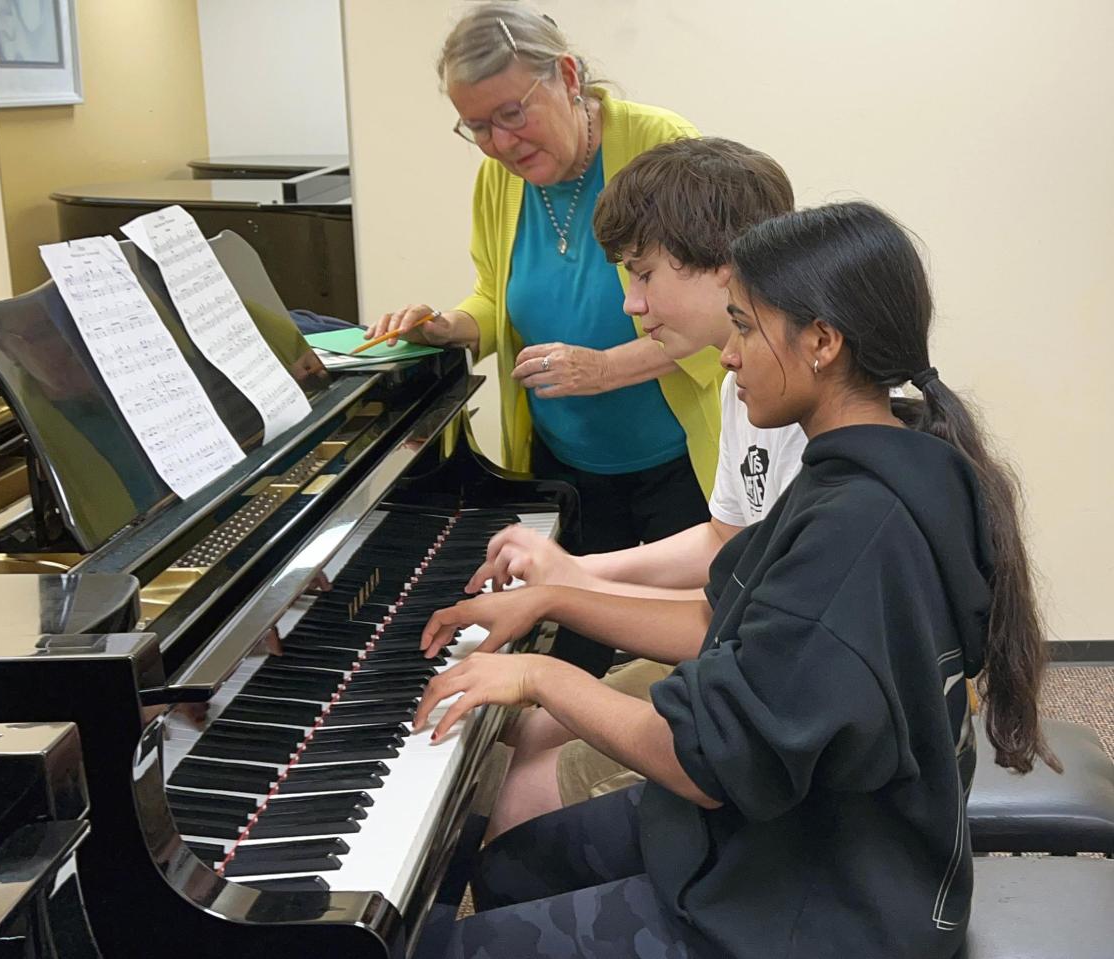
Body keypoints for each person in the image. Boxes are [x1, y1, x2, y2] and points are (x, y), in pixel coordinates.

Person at [413, 201, 1059, 958]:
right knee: (512, 865)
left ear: (822, 341)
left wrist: (537, 676)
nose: (727, 353)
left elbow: (702, 762)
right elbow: (718, 618)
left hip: (820, 903)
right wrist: (555, 596)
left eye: (745, 327)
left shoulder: (857, 528)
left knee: (449, 947)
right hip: (797, 828)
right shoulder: (878, 460)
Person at [365, 2, 725, 676]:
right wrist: (448, 327)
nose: (500, 143)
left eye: (511, 114)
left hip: (678, 463)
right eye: (476, 127)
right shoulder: (498, 179)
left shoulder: (659, 144)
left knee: (694, 649)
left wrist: (608, 367)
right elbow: (498, 296)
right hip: (570, 466)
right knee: (575, 641)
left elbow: (720, 309)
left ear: (565, 75)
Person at [465, 136, 802, 838]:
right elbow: (725, 541)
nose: (631, 302)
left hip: (777, 696)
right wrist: (578, 568)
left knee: (517, 800)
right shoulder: (744, 374)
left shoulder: (796, 398)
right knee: (523, 738)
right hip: (742, 661)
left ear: (726, 262)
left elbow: (730, 621)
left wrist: (561, 599)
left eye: (644, 275)